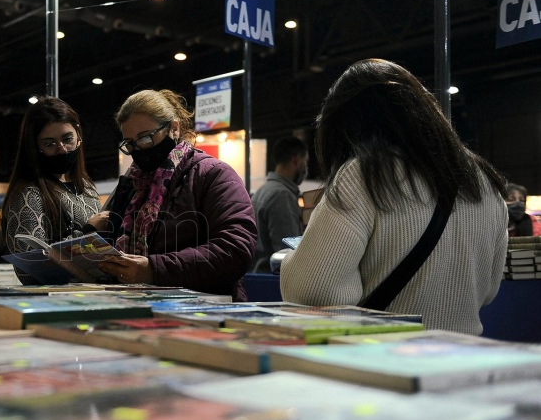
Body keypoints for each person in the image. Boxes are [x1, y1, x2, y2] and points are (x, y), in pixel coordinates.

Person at [280, 59, 508, 335]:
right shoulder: (483, 180)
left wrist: (292, 259)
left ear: (345, 126)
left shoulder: (366, 173)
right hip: (463, 361)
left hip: (387, 361)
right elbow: (488, 290)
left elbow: (314, 290)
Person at [92, 89, 257, 300]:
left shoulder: (213, 174)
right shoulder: (131, 184)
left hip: (204, 310)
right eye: (130, 143)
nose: (139, 150)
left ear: (174, 128)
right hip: (137, 306)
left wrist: (154, 269)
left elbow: (235, 249)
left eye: (146, 138)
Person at [2, 96, 101, 284]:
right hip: (56, 303)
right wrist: (89, 232)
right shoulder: (29, 194)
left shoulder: (87, 188)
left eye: (67, 139)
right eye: (49, 144)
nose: (62, 150)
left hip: (97, 296)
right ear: (34, 146)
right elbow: (28, 271)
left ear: (78, 136)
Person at [249, 136, 309, 273]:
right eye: (305, 162)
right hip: (271, 283)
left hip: (257, 278)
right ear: (297, 160)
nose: (305, 168)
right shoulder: (282, 196)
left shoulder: (263, 191)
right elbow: (288, 253)